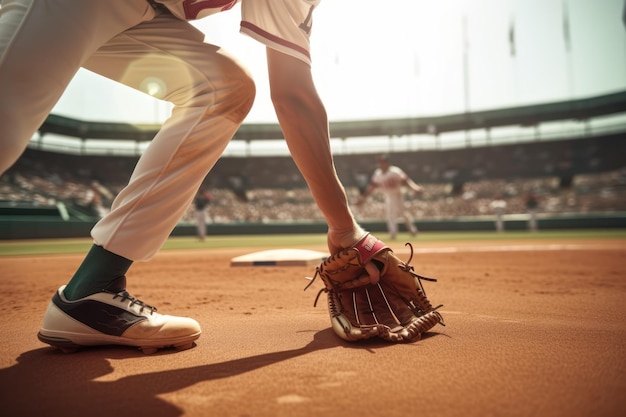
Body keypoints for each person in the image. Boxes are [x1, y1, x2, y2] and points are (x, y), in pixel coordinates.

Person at [0, 0, 371, 353]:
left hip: (138, 14)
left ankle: (92, 291)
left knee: (223, 88)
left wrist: (344, 227)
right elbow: (295, 100)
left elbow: (294, 93)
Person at [356, 155, 422, 240]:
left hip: (398, 194)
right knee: (390, 214)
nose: (381, 164)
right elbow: (372, 187)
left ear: (387, 163)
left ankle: (412, 230)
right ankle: (393, 233)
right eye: (380, 163)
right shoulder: (378, 174)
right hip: (388, 195)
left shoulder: (395, 171)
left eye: (383, 162)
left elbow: (406, 181)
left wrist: (415, 187)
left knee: (403, 213)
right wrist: (363, 197)